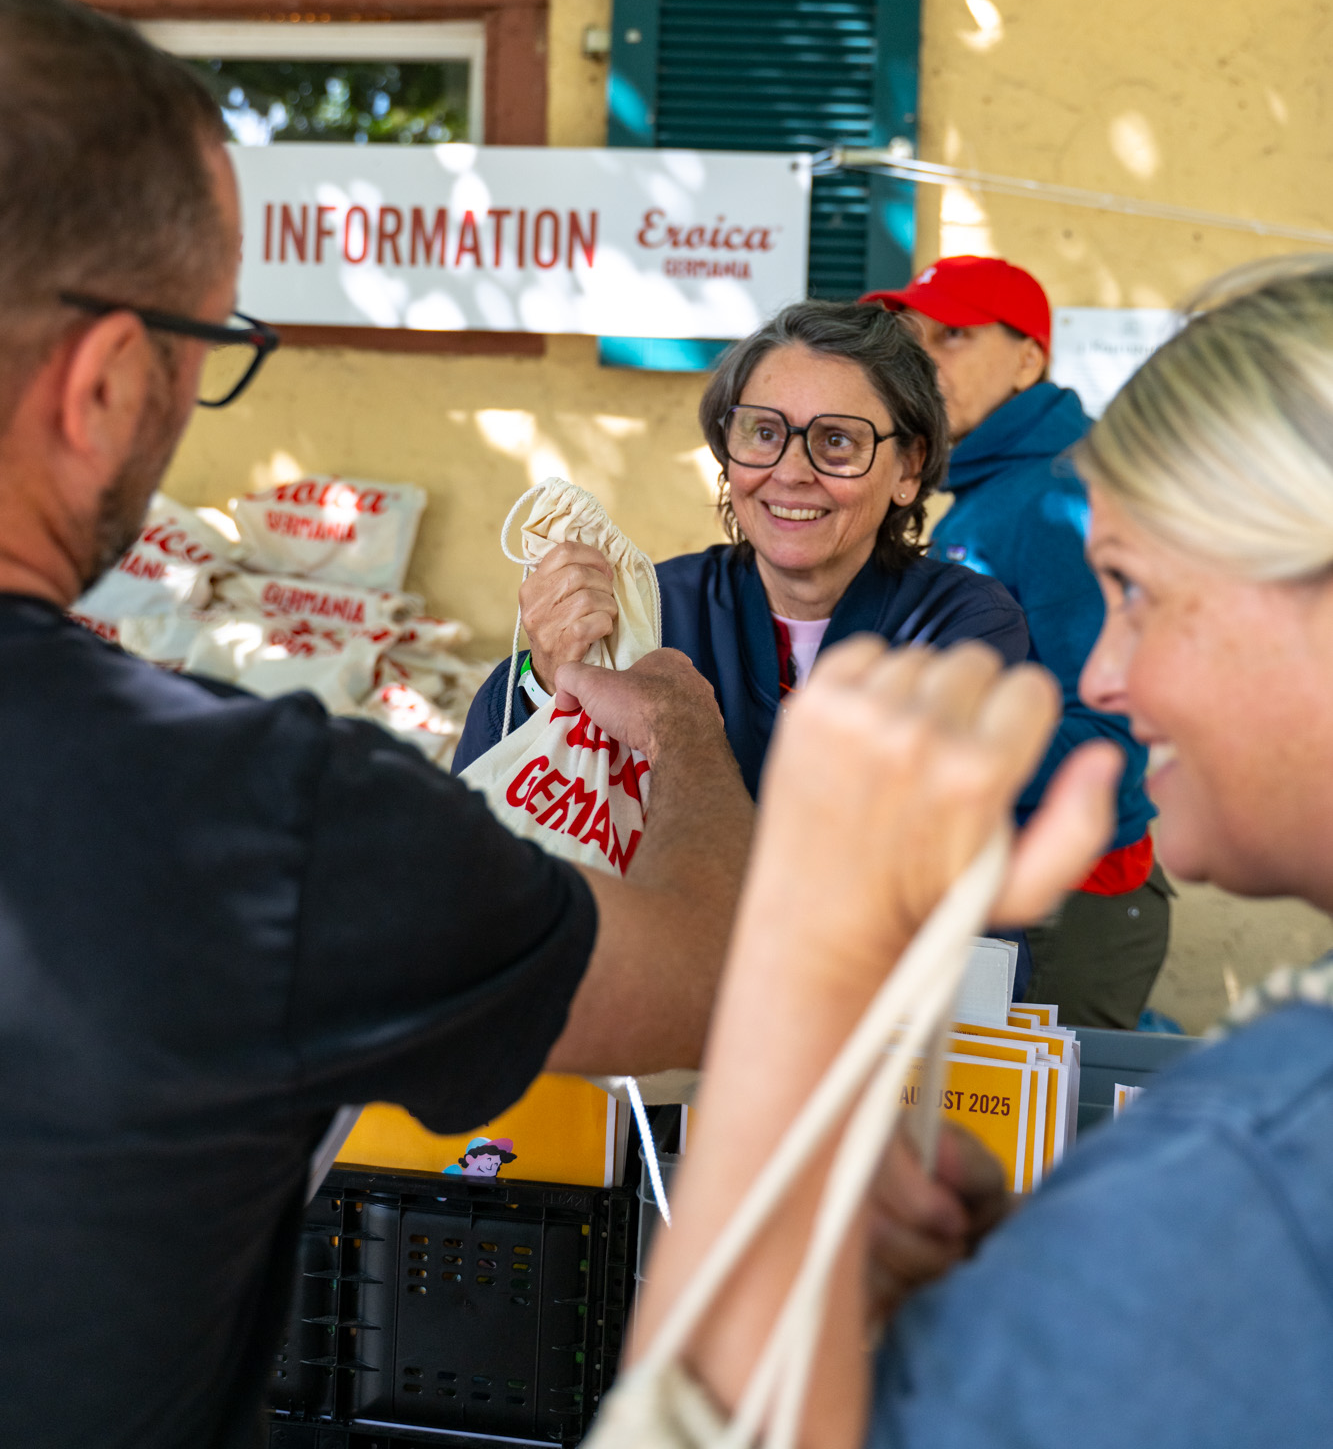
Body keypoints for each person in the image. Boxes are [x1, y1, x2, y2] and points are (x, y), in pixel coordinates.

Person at [0, 0, 755, 1449]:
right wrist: (679, 726)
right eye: (205, 351)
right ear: (104, 383)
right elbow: (711, 974)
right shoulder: (257, 819)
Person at [625, 254, 1333, 1449]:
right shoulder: (1248, 1147)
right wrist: (1037, 1273)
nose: (1104, 673)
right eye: (762, 432)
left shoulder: (1255, 1152)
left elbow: (706, 1426)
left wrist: (800, 975)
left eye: (1138, 589)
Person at [457, 299, 1030, 797]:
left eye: (837, 440)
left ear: (908, 467)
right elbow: (491, 801)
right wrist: (547, 676)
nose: (791, 471)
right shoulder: (653, 610)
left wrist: (677, 731)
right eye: (764, 433)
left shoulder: (963, 625)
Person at [863, 255, 1166, 1028]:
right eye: (911, 337)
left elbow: (1110, 736)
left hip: (1068, 904)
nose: (922, 358)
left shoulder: (1057, 496)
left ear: (1029, 360)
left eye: (954, 335)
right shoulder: (994, 487)